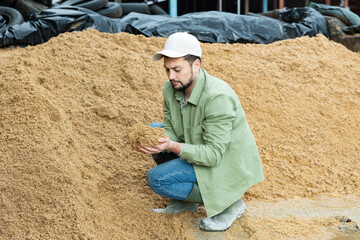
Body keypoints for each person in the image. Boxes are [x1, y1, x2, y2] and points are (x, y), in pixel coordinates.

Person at [135, 32, 264, 232]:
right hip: (198, 150)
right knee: (153, 130)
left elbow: (213, 155)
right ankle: (185, 202)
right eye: (167, 69)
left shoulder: (217, 98)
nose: (171, 77)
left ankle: (230, 202)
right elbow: (170, 126)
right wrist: (157, 140)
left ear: (196, 65)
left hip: (224, 163)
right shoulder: (171, 89)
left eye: (177, 69)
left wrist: (172, 146)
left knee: (157, 179)